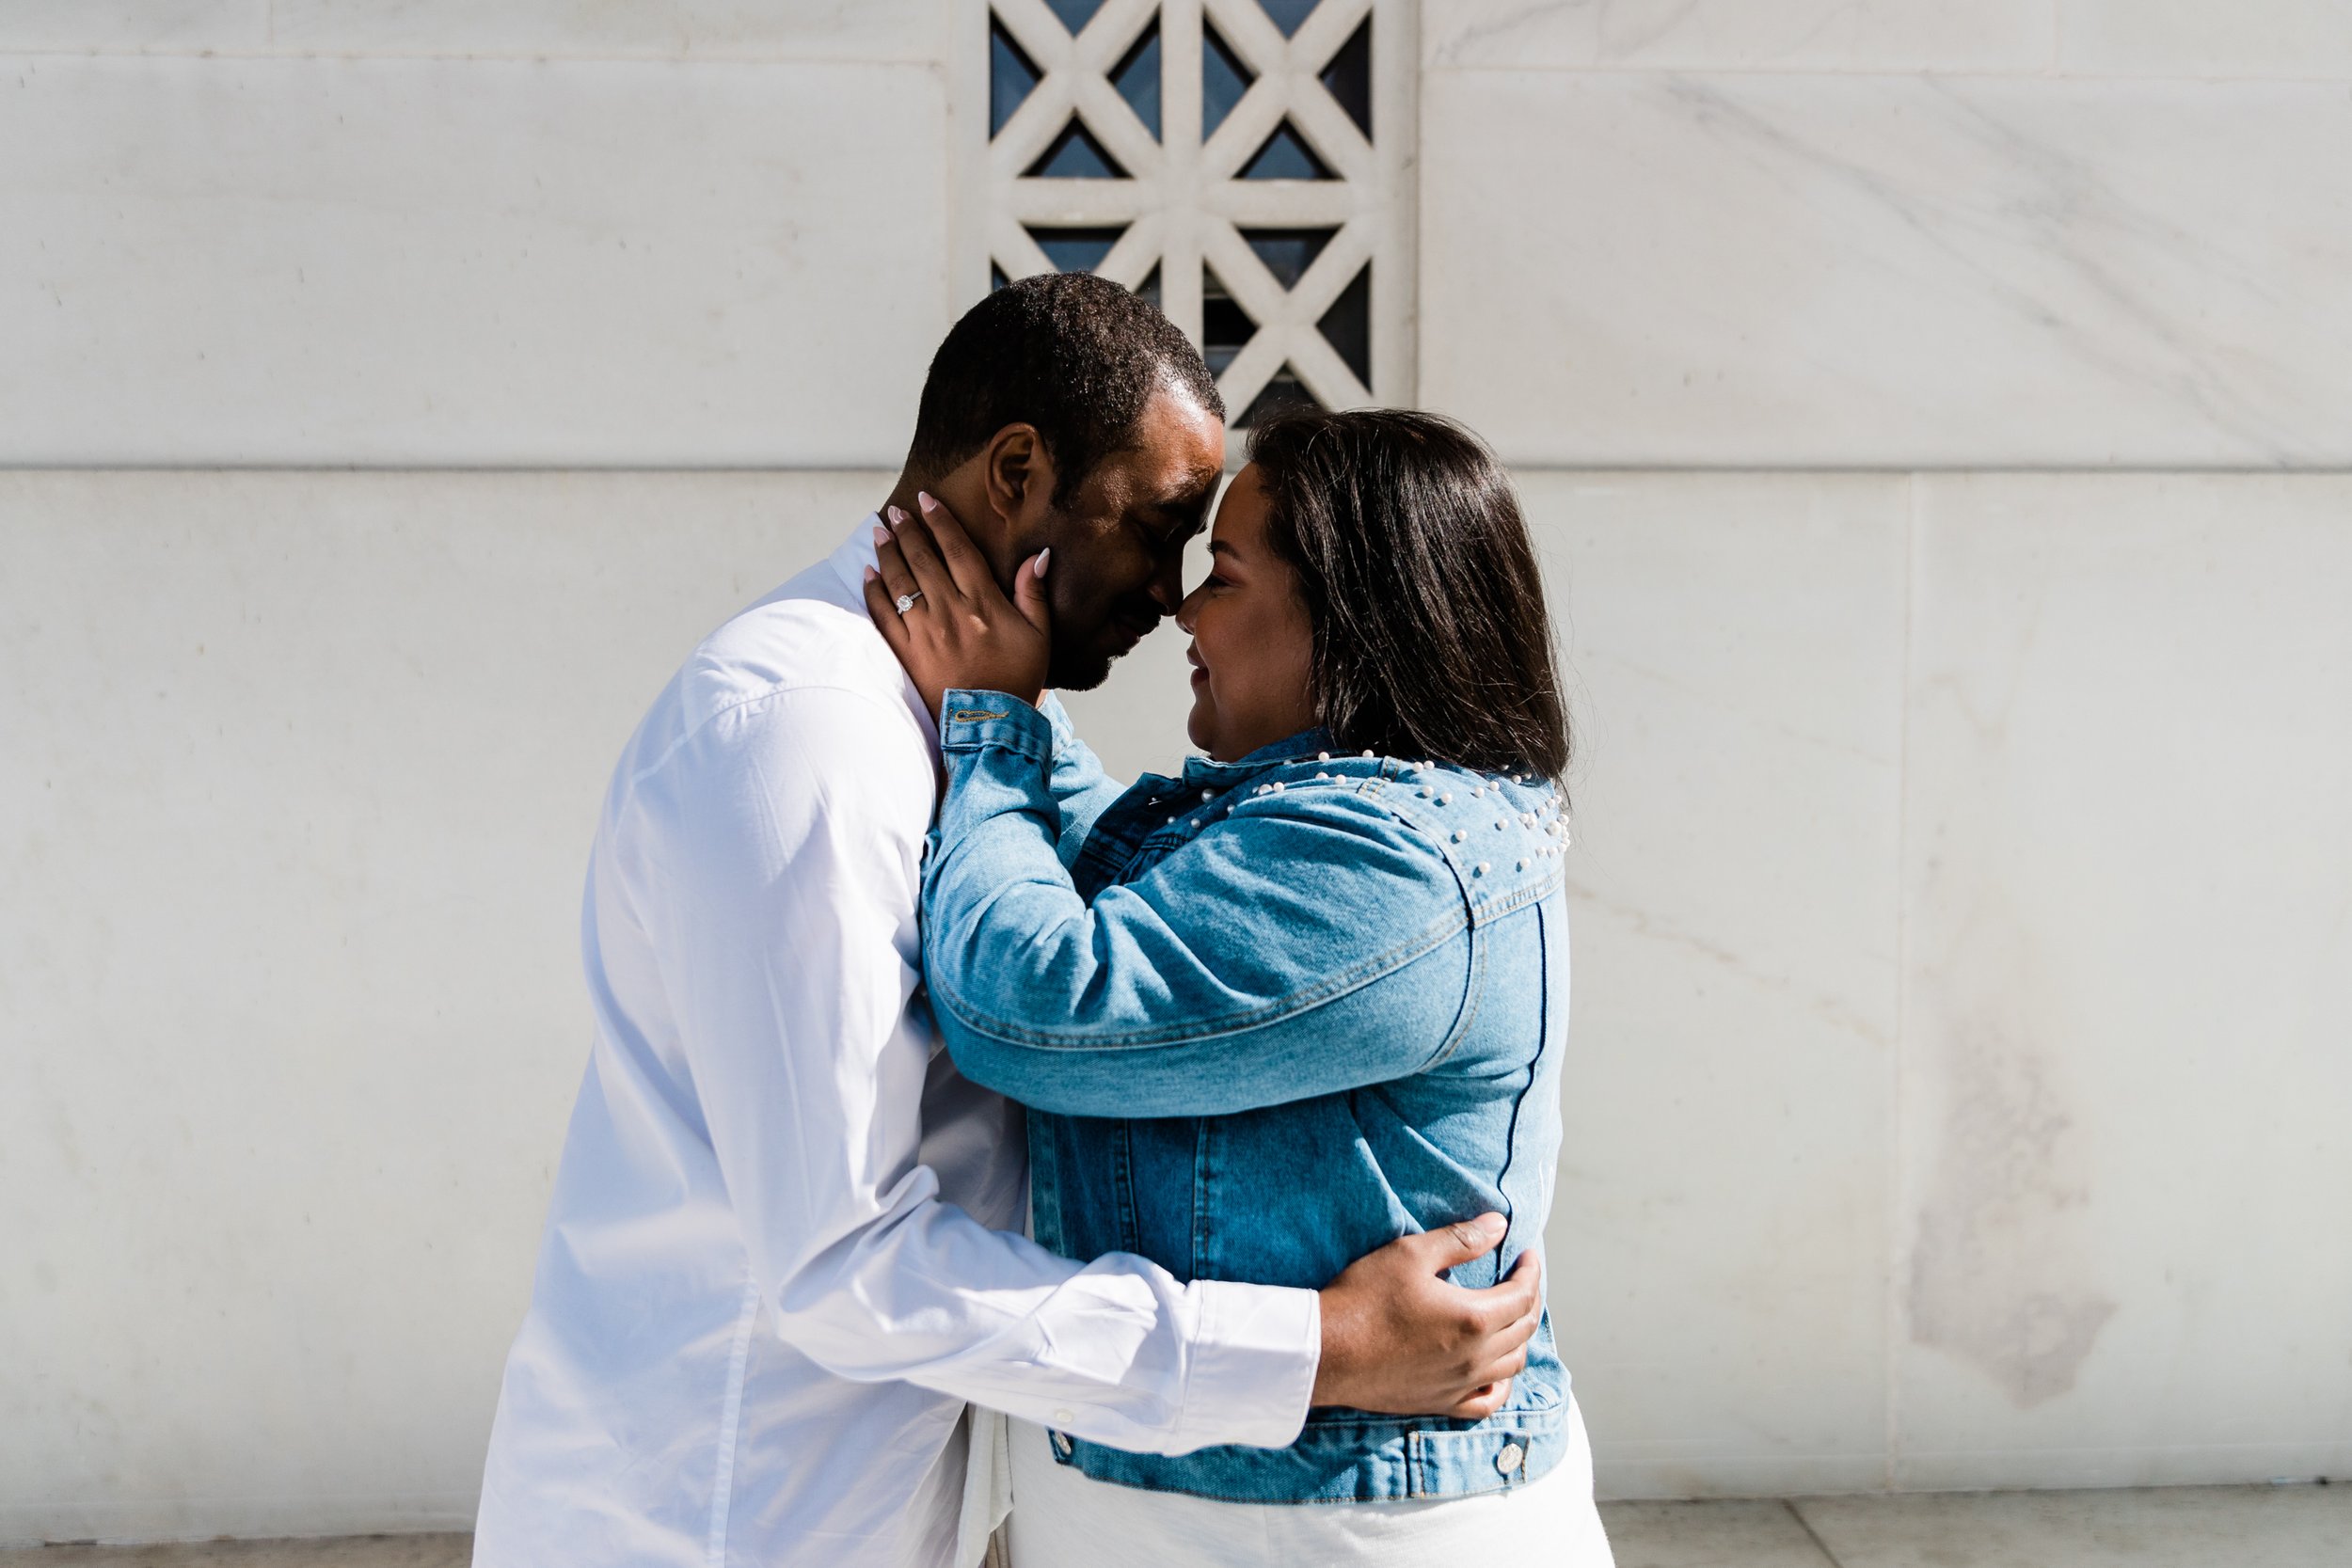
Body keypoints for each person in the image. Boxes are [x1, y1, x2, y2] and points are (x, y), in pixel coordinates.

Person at [470, 277, 1545, 1568]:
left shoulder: (947, 721)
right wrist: (1315, 1347)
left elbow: (1100, 860)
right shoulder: (808, 738)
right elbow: (844, 1265)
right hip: (714, 1518)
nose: (1167, 591)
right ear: (1020, 470)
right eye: (1154, 529)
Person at [863, 408, 1615, 1564]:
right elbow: (1101, 857)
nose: (1179, 608)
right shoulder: (1308, 813)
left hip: (1338, 1527)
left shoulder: (1391, 862)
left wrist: (996, 721)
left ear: (1348, 619)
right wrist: (998, 671)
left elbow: (1034, 1004)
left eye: (1219, 571)